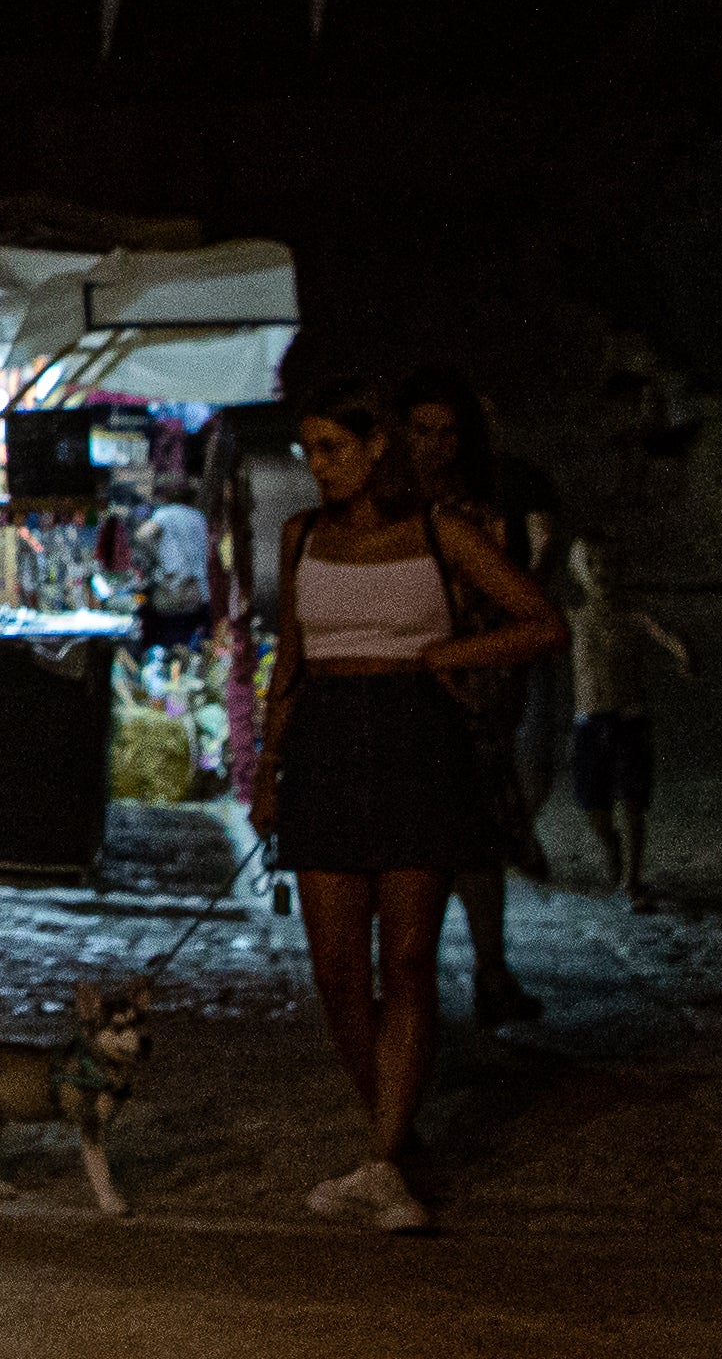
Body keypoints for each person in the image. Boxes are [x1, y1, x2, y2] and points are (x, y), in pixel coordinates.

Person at [256, 393, 566, 1232]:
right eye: (308, 449)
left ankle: (384, 1158)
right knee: (333, 970)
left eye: (330, 446)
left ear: (373, 444)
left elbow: (541, 622)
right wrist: (266, 763)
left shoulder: (440, 530)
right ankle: (392, 1129)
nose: (318, 465)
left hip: (417, 742)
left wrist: (452, 652)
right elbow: (290, 652)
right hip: (323, 740)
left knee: (408, 961)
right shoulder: (300, 537)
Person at [397, 369, 556, 1028]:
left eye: (448, 432)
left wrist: (469, 666)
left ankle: (488, 969)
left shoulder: (473, 513)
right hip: (403, 695)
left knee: (475, 842)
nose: (436, 445)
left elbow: (511, 606)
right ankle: (417, 983)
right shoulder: (385, 513)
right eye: (423, 430)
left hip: (467, 694)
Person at [558, 537, 687, 911]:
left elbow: (667, 636)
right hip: (588, 721)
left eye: (606, 564)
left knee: (632, 800)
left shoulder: (634, 618)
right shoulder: (574, 619)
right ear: (576, 572)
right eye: (590, 564)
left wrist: (683, 654)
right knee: (592, 806)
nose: (600, 572)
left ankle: (632, 880)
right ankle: (609, 843)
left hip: (629, 719)